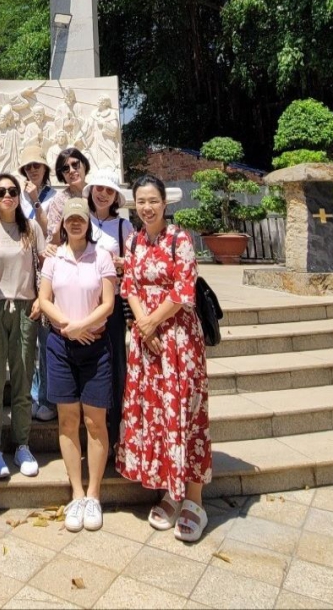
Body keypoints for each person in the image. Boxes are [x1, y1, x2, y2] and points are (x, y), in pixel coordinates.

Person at [116, 174, 212, 543]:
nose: (147, 207)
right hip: (148, 341)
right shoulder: (134, 240)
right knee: (156, 412)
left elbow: (185, 288)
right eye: (141, 201)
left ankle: (194, 499)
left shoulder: (179, 239)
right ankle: (171, 492)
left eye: (153, 200)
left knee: (184, 412)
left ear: (164, 203)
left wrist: (152, 323)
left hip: (178, 340)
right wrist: (144, 326)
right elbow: (129, 286)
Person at [39, 197, 115, 533]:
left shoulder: (101, 256)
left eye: (80, 219)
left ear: (88, 223)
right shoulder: (54, 258)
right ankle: (77, 492)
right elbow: (44, 299)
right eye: (69, 219)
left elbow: (108, 303)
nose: (74, 223)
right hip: (61, 345)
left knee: (95, 421)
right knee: (68, 420)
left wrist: (82, 326)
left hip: (95, 345)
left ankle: (94, 495)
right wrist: (69, 326)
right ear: (63, 223)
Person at [0, 173, 45, 480]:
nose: (7, 196)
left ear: (19, 196)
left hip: (25, 307)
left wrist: (41, 299)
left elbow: (45, 263)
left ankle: (22, 444)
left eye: (12, 191)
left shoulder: (30, 229)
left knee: (22, 380)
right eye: (1, 191)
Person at [84, 168, 134, 453]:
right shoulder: (81, 219)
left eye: (109, 190)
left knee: (116, 364)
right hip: (83, 303)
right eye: (99, 188)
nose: (102, 194)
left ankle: (117, 435)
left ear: (116, 196)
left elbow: (136, 262)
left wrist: (123, 264)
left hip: (111, 304)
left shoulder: (123, 226)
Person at [17, 146, 57, 423]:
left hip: (46, 270)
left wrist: (35, 201)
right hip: (23, 271)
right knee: (26, 341)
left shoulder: (54, 197)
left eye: (37, 166)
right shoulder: (14, 195)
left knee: (45, 339)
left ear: (45, 169)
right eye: (28, 166)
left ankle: (47, 398)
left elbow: (50, 231)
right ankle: (31, 395)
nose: (33, 170)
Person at [46, 147, 91, 243]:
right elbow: (52, 239)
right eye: (65, 168)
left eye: (75, 164)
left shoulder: (98, 192)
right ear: (62, 174)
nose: (71, 170)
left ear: (84, 164)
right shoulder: (58, 201)